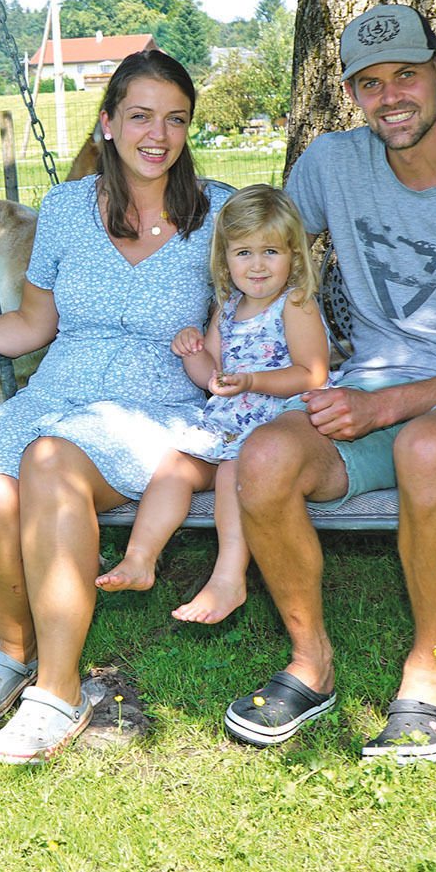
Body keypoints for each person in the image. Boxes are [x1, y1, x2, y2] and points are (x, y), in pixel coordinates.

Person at [223, 4, 436, 763]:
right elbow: (253, 236)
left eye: (405, 76)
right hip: (367, 384)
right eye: (369, 84)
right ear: (351, 93)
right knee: (262, 458)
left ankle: (426, 677)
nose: (389, 97)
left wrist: (384, 403)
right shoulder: (330, 165)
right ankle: (311, 663)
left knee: (424, 447)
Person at [0, 49, 232, 765]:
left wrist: (227, 372)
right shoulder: (68, 209)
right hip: (57, 393)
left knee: (50, 464)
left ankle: (58, 689)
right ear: (107, 124)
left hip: (156, 406)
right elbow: (34, 324)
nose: (156, 135)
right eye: (139, 116)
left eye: (174, 120)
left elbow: (242, 323)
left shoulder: (218, 212)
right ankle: (15, 647)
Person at [95, 184, 330, 626]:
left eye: (270, 252)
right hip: (227, 424)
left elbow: (312, 373)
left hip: (279, 424)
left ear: (294, 257)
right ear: (225, 260)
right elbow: (212, 379)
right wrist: (193, 353)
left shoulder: (294, 304)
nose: (257, 265)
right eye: (243, 253)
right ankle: (140, 558)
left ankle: (228, 576)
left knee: (229, 473)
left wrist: (254, 380)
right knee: (174, 465)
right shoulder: (227, 308)